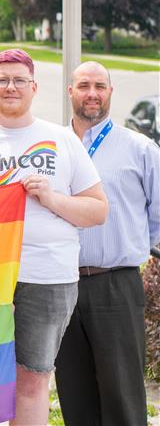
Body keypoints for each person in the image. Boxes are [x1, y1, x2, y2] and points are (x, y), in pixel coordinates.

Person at [0, 49, 108, 425]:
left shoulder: (62, 140)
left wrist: (50, 198)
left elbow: (98, 210)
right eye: (3, 80)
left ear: (34, 88)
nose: (11, 87)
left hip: (48, 277)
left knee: (33, 381)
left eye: (19, 80)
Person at [55, 61, 159, 426]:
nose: (92, 94)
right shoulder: (52, 146)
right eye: (84, 85)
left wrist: (132, 245)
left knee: (122, 393)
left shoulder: (139, 149)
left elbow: (158, 214)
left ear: (111, 92)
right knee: (73, 389)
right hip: (61, 283)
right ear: (70, 91)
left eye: (100, 86)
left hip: (115, 283)